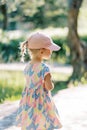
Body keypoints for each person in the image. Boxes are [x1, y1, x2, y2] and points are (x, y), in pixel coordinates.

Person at [15, 32, 63, 130]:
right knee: (43, 123)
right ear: (41, 51)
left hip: (28, 102)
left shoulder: (27, 67)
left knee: (31, 123)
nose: (52, 51)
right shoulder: (44, 68)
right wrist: (51, 83)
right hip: (41, 102)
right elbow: (49, 87)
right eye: (50, 49)